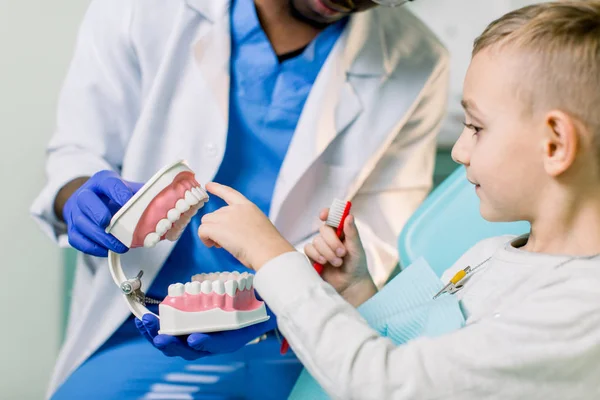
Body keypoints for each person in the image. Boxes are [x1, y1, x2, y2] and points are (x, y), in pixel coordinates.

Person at [30, 0, 449, 398]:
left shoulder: (417, 62)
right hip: (138, 329)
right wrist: (80, 197)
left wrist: (270, 307)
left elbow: (370, 241)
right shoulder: (144, 9)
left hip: (291, 336)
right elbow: (78, 150)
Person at [195, 2, 600, 398]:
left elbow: (386, 385)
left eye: (476, 127)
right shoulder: (489, 255)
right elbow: (417, 356)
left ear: (555, 144)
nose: (459, 151)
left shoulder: (580, 310)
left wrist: (271, 257)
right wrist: (356, 293)